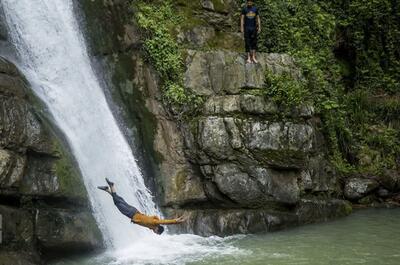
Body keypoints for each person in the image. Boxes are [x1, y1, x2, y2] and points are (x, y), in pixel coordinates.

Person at [98, 178, 186, 235]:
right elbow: (165, 222)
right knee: (117, 203)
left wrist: (135, 221)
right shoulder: (155, 222)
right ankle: (111, 186)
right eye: (157, 232)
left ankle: (108, 189)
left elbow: (143, 221)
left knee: (120, 201)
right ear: (157, 228)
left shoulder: (151, 227)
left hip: (134, 211)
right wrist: (175, 221)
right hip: (131, 213)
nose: (155, 233)